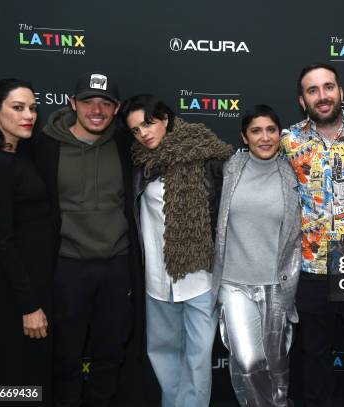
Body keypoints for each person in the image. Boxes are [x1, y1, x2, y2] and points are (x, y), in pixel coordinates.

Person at [28, 71, 140, 406]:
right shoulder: (44, 145)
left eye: (105, 103)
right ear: (72, 103)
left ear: (116, 108)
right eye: (88, 101)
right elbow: (10, 173)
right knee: (65, 353)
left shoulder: (126, 144)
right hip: (68, 266)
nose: (96, 110)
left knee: (110, 351)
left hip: (116, 266)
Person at [281, 63, 344, 407]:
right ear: (302, 100)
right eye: (313, 90)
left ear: (341, 92)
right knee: (314, 359)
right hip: (311, 270)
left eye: (328, 87)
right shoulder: (288, 141)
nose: (322, 96)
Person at [120, 94, 233, 407]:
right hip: (157, 280)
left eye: (148, 123)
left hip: (199, 276)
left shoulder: (206, 155)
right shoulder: (137, 162)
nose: (143, 133)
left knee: (198, 359)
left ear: (165, 119)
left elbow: (228, 210)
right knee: (162, 352)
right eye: (135, 130)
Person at [0, 78, 54, 405]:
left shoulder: (18, 153)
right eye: (17, 108)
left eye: (32, 107)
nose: (28, 115)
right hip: (15, 292)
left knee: (31, 378)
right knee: (15, 381)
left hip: (33, 282)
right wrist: (28, 306)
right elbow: (2, 240)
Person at [211, 104, 301, 406]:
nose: (265, 138)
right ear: (244, 136)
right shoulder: (230, 168)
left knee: (276, 368)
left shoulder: (293, 174)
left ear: (280, 133)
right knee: (248, 362)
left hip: (276, 284)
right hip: (234, 283)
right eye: (256, 131)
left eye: (271, 130)